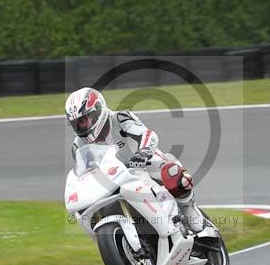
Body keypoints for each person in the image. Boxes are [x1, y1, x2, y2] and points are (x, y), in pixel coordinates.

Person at [65, 87, 206, 232]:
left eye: (83, 120)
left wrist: (143, 153)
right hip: (114, 178)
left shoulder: (120, 118)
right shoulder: (78, 145)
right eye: (76, 123)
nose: (81, 126)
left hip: (143, 164)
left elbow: (148, 135)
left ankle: (189, 210)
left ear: (97, 111)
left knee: (171, 173)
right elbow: (85, 172)